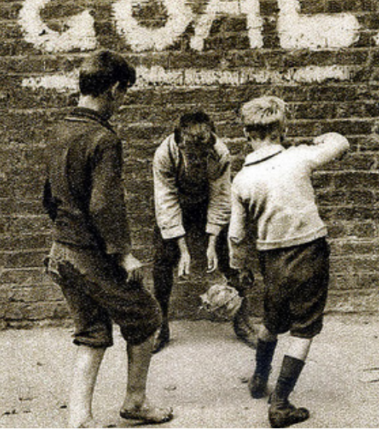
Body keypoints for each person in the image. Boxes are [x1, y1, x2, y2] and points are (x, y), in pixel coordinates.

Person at [42, 50, 171, 428]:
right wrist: (123, 254)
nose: (124, 100)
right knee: (147, 316)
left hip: (60, 252)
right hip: (89, 254)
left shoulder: (59, 130)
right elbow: (104, 205)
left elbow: (48, 197)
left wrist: (68, 230)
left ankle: (80, 420)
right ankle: (135, 401)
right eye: (125, 92)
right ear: (115, 89)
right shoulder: (103, 138)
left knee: (92, 332)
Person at [228, 96, 349, 428]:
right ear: (281, 128)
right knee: (304, 328)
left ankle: (259, 378)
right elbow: (340, 142)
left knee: (271, 320)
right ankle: (280, 404)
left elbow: (236, 236)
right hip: (309, 253)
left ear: (245, 132)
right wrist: (312, 141)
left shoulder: (241, 180)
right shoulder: (299, 157)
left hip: (272, 259)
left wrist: (241, 267)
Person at [150, 111, 256, 353]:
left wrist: (212, 243)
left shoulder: (220, 153)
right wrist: (183, 248)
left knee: (232, 253)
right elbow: (166, 200)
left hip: (207, 201)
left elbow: (220, 197)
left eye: (202, 155)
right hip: (177, 202)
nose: (197, 160)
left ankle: (242, 321)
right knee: (162, 258)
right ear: (179, 144)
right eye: (191, 155)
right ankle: (160, 325)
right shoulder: (164, 154)